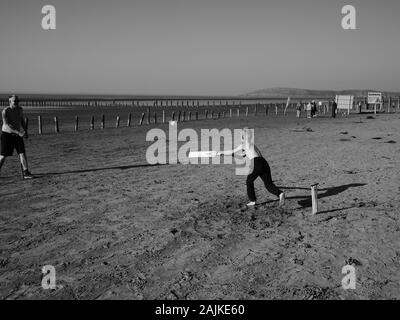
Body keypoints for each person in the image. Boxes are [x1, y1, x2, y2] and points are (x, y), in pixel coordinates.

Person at [217, 128, 285, 207]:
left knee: (249, 181)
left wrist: (220, 152)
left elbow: (232, 151)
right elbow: (241, 156)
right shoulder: (252, 145)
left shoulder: (244, 144)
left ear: (243, 137)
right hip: (264, 162)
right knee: (268, 184)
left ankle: (252, 200)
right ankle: (280, 193)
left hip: (256, 162)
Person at [0, 95, 33, 179]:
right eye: (15, 101)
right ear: (10, 101)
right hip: (7, 135)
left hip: (17, 135)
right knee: (3, 156)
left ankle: (26, 172)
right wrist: (19, 133)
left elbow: (21, 120)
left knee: (22, 153)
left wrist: (25, 131)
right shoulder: (5, 111)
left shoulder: (20, 109)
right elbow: (7, 125)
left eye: (18, 100)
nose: (17, 102)